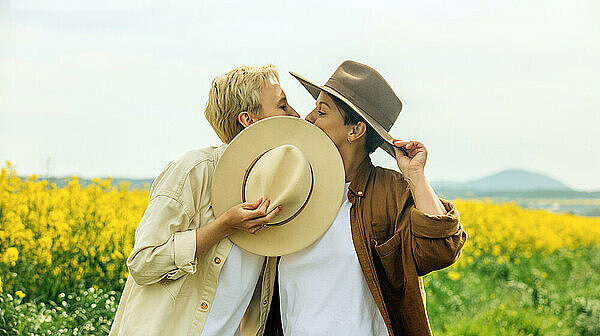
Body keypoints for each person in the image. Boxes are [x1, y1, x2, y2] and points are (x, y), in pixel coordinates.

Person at [268, 61, 467, 336]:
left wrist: (415, 175)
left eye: (322, 112)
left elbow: (440, 251)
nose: (308, 118)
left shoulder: (391, 191)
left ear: (355, 130)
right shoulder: (291, 186)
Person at [109, 65, 300, 336]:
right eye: (283, 106)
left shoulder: (279, 191)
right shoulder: (193, 171)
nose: (295, 114)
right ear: (249, 120)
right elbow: (143, 263)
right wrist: (223, 226)